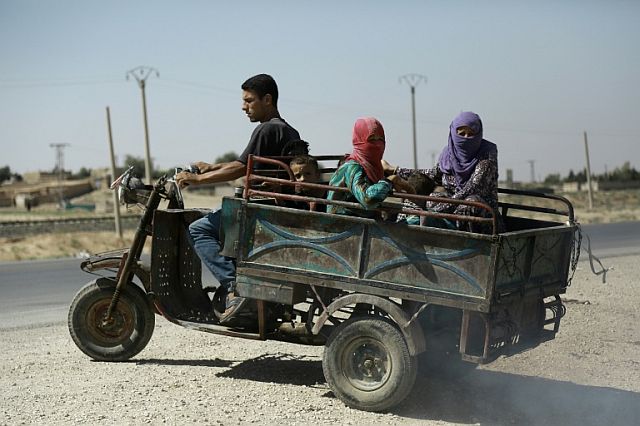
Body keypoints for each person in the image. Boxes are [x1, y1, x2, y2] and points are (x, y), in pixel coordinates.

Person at [176, 73, 306, 324]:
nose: (243, 107)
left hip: (261, 210)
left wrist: (198, 180)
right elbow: (247, 164)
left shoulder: (266, 129)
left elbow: (239, 169)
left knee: (198, 229)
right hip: (276, 208)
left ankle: (236, 287)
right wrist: (211, 167)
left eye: (249, 101)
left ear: (267, 100)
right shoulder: (288, 130)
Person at [383, 111, 499, 232]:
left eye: (470, 134)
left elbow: (472, 188)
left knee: (471, 203)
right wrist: (395, 170)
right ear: (454, 133)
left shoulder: (487, 154)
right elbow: (433, 174)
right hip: (451, 208)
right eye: (461, 133)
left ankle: (458, 241)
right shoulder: (448, 154)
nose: (465, 138)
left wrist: (439, 209)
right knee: (432, 197)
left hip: (481, 217)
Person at [326, 117, 413, 217]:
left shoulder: (374, 168)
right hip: (343, 226)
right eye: (371, 139)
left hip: (364, 225)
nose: (377, 144)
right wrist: (390, 181)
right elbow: (368, 199)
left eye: (380, 139)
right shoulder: (352, 167)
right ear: (358, 140)